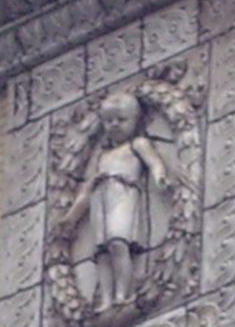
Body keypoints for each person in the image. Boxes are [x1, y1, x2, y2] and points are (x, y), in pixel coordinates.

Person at [60, 90, 169, 311]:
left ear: (135, 121)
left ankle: (123, 293)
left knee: (118, 242)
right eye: (109, 121)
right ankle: (107, 299)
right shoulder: (103, 156)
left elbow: (155, 162)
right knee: (101, 251)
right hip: (101, 198)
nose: (115, 125)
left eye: (121, 120)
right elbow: (85, 191)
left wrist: (160, 176)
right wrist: (71, 216)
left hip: (124, 194)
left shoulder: (137, 144)